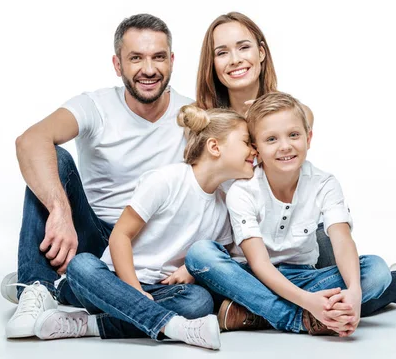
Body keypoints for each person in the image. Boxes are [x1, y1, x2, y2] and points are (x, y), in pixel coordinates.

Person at [191, 12, 396, 329]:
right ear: (212, 63)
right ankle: (304, 313)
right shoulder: (207, 126)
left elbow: (314, 199)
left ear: (260, 52)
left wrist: (351, 290)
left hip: (300, 244)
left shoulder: (296, 114)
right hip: (240, 252)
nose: (235, 60)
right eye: (222, 52)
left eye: (243, 47)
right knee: (203, 282)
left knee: (364, 278)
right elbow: (196, 197)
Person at [2, 13, 196, 338]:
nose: (148, 69)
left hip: (154, 251)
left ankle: (73, 293)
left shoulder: (192, 114)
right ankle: (36, 288)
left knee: (194, 303)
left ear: (172, 60)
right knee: (54, 158)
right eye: (136, 58)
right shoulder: (95, 106)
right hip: (94, 237)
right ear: (118, 64)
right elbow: (30, 140)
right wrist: (61, 212)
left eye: (158, 57)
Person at [30, 106, 256, 350]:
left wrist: (189, 270)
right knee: (82, 265)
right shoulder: (166, 180)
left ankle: (91, 325)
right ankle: (172, 327)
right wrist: (134, 292)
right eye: (247, 142)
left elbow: (218, 251)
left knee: (199, 302)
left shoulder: (224, 203)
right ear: (214, 147)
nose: (254, 151)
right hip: (113, 282)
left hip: (159, 290)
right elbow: (120, 236)